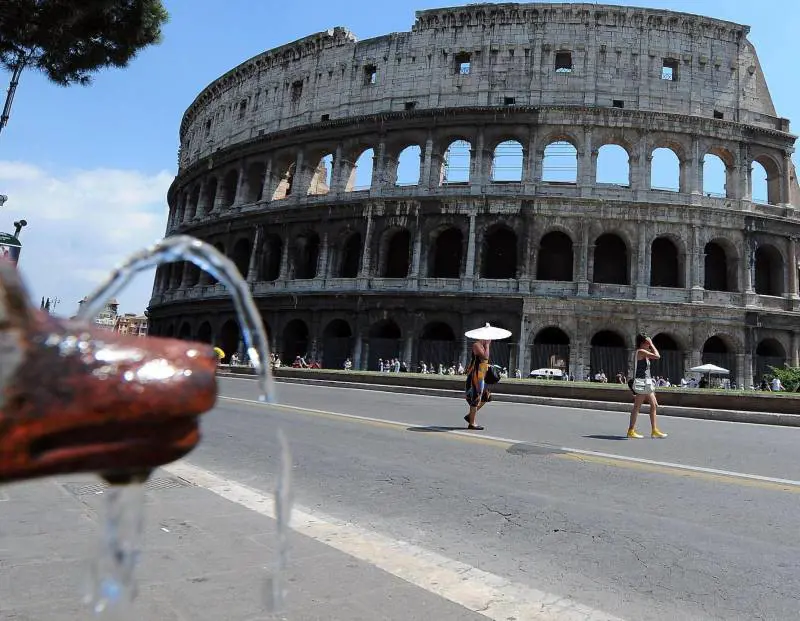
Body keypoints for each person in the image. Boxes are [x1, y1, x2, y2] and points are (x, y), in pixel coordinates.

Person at [626, 334, 667, 439]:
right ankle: (631, 430)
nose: (649, 345)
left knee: (654, 405)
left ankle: (654, 430)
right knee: (637, 407)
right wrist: (652, 344)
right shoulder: (641, 352)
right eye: (647, 343)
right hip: (642, 382)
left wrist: (650, 344)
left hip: (647, 382)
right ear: (642, 343)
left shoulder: (644, 352)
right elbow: (657, 356)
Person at [464, 338, 492, 430]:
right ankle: (472, 423)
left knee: (486, 396)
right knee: (475, 397)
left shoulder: (482, 346)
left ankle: (470, 416)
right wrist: (487, 345)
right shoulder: (476, 345)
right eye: (488, 338)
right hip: (475, 376)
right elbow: (485, 357)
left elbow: (485, 361)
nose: (490, 340)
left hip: (481, 375)